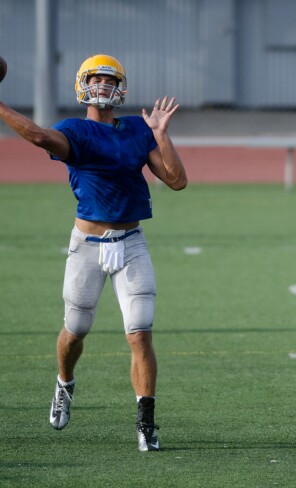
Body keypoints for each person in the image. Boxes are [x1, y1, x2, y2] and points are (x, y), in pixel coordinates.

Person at [0, 54, 187, 451]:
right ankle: (65, 383)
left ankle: (146, 422)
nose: (103, 86)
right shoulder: (75, 131)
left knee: (140, 334)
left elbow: (177, 180)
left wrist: (161, 134)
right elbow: (36, 135)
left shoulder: (138, 128)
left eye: (109, 80)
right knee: (75, 330)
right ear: (83, 85)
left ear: (120, 88)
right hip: (87, 245)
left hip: (131, 242)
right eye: (96, 79)